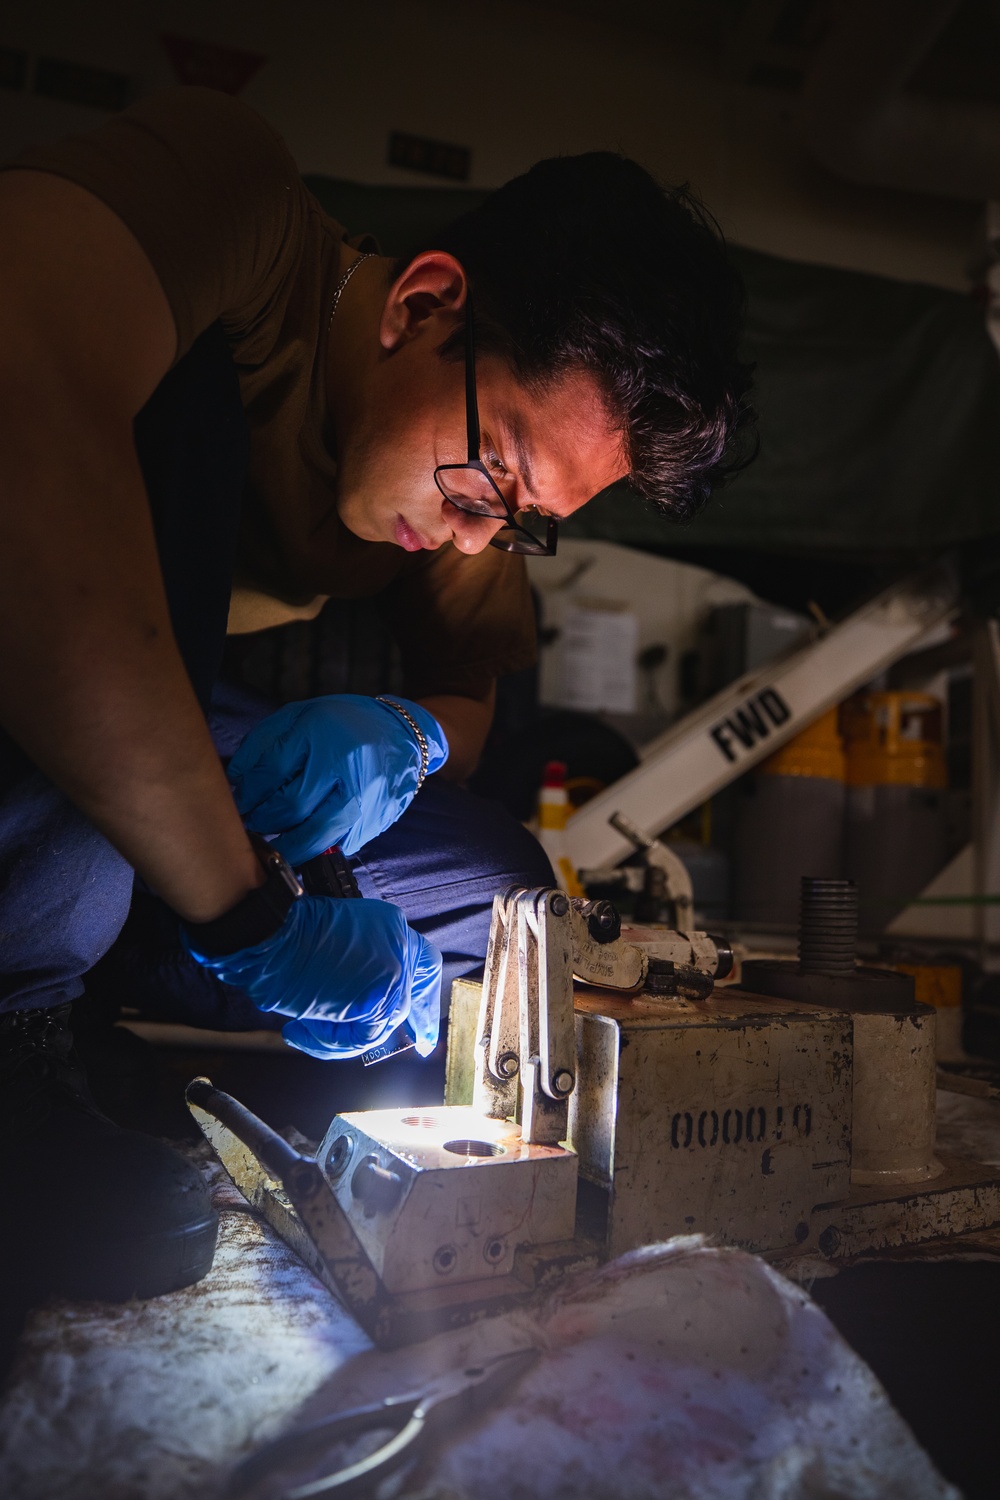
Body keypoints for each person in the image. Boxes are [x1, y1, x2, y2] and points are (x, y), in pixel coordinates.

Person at [0, 87, 753, 1303]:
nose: (473, 540)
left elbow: (467, 695)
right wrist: (251, 911)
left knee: (491, 896)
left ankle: (101, 956)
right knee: (172, 395)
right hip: (39, 642)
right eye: (492, 476)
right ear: (423, 304)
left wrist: (402, 738)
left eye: (519, 523)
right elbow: (18, 390)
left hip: (170, 758)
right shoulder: (232, 201)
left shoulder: (463, 492)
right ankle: (23, 1017)